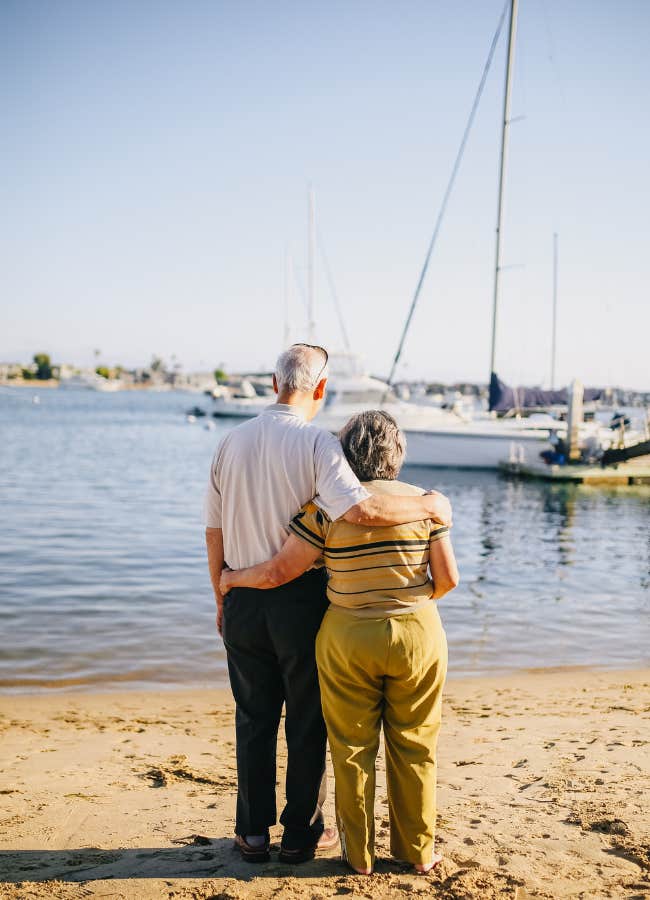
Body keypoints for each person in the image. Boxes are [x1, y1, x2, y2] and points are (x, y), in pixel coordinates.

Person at [205, 345, 452, 865]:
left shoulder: (229, 442)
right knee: (306, 720)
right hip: (300, 602)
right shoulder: (319, 444)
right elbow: (362, 507)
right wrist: (430, 506)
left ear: (274, 382)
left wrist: (221, 592)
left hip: (243, 595)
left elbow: (215, 531)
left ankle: (251, 835)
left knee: (252, 718)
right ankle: (300, 835)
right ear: (319, 388)